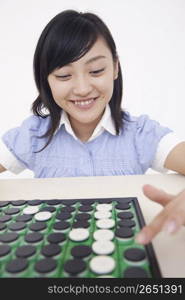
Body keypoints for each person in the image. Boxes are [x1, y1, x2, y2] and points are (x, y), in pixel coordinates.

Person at [0, 10, 185, 245]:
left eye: (96, 71)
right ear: (46, 80)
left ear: (115, 68)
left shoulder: (141, 134)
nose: (82, 88)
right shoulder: (34, 135)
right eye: (64, 75)